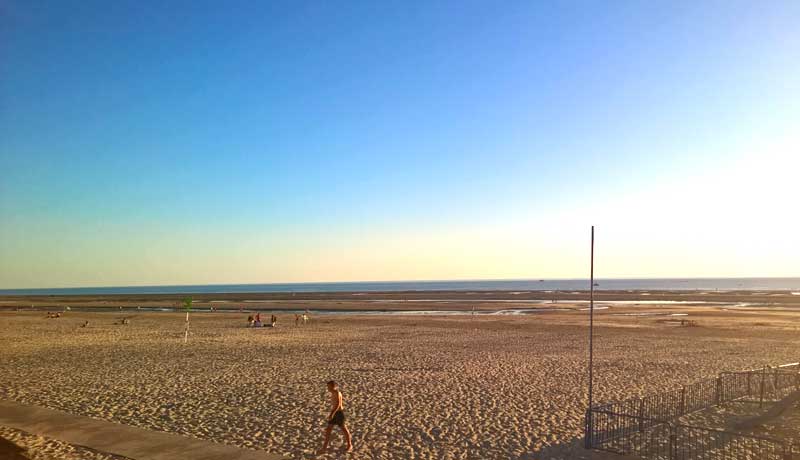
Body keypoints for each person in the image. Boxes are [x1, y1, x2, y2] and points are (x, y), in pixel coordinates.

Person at [318, 380, 353, 454]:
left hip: (339, 413)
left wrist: (332, 413)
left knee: (344, 429)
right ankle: (324, 447)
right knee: (328, 429)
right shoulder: (333, 393)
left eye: (329, 387)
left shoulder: (337, 393)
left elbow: (338, 404)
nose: (328, 388)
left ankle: (350, 445)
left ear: (333, 386)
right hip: (334, 412)